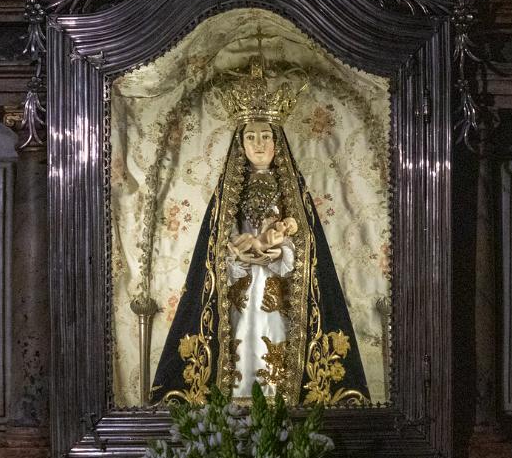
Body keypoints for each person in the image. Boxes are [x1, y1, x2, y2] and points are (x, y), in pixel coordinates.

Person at [150, 60, 368, 406]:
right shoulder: (229, 195)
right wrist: (237, 255)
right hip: (239, 290)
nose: (259, 144)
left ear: (277, 142)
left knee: (277, 338)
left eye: (266, 136)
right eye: (251, 137)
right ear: (240, 143)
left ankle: (283, 403)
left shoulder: (291, 192)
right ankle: (234, 406)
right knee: (240, 337)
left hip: (280, 291)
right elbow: (216, 245)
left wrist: (282, 251)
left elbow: (307, 246)